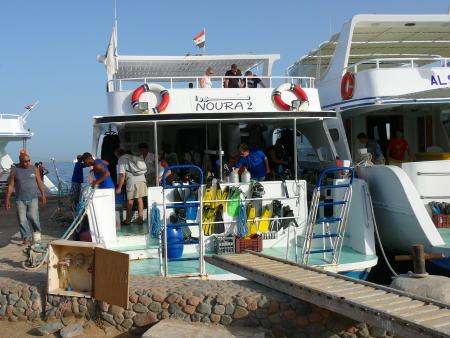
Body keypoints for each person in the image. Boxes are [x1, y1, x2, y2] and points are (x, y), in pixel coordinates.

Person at [5, 153, 46, 245]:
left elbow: (39, 182)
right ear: (20, 161)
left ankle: (37, 234)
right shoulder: (14, 171)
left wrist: (43, 195)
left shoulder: (34, 169)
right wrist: (7, 199)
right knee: (22, 220)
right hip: (20, 199)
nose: (27, 163)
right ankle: (26, 237)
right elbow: (11, 186)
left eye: (28, 161)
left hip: (33, 198)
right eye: (25, 161)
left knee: (34, 218)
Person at [115, 149, 147, 225]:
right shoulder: (133, 156)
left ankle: (128, 220)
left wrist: (119, 187)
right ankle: (140, 219)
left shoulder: (121, 159)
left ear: (118, 154)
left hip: (132, 181)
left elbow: (122, 175)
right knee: (140, 199)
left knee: (130, 200)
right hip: (142, 179)